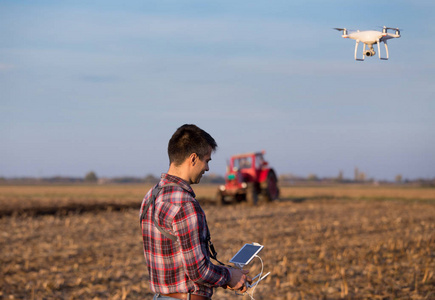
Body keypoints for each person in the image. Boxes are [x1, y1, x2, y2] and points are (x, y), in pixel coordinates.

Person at [140, 124, 251, 300]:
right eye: (206, 160)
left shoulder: (151, 196)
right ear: (193, 158)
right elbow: (198, 271)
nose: (207, 168)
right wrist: (230, 276)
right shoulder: (185, 204)